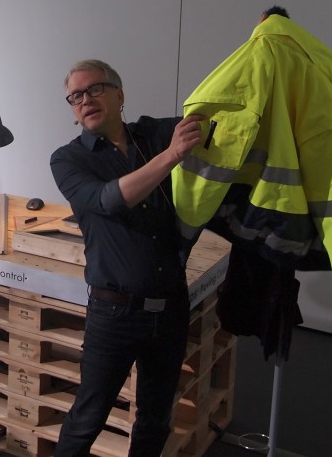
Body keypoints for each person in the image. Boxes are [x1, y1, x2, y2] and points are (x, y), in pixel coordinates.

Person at [49, 59, 205, 457]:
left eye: (95, 89)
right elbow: (109, 200)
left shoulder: (151, 134)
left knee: (155, 418)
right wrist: (171, 156)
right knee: (88, 417)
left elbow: (211, 115)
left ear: (120, 95)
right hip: (114, 313)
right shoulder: (68, 159)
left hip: (170, 308)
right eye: (76, 96)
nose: (85, 100)